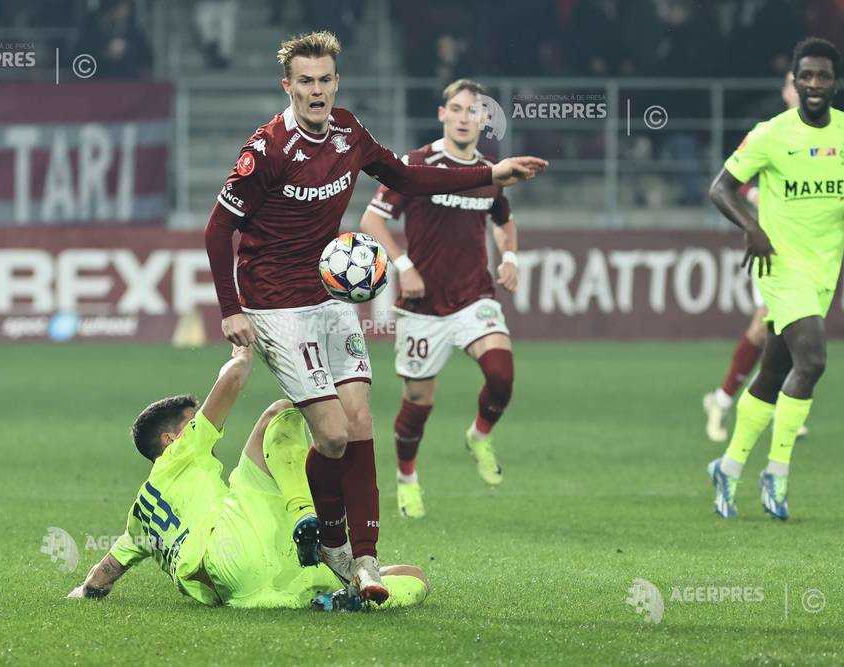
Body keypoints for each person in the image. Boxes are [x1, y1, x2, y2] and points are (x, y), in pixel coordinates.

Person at [204, 30, 546, 600]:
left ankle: (365, 560)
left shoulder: (349, 133)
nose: (316, 92)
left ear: (336, 82)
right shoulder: (265, 150)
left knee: (360, 420)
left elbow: (409, 177)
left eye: (325, 80)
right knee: (333, 436)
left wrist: (490, 174)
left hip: (330, 297)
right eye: (305, 82)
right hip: (275, 305)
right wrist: (230, 309)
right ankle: (331, 539)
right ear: (287, 86)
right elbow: (219, 229)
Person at [66, 346, 430, 611]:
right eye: (191, 422)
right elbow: (233, 380)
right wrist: (243, 350)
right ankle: (306, 515)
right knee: (280, 415)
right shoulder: (180, 454)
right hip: (231, 543)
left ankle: (334, 599)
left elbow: (106, 572)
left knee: (410, 575)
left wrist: (84, 592)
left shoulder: (140, 515)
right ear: (171, 439)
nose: (199, 427)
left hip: (239, 592)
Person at [706, 37, 844, 520]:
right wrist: (753, 228)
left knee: (774, 371)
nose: (814, 84)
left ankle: (728, 467)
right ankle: (776, 473)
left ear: (835, 82)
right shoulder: (770, 134)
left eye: (823, 76)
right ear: (794, 82)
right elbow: (720, 188)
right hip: (780, 264)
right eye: (807, 76)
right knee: (812, 360)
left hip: (824, 267)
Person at [359, 79, 519, 519]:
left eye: (474, 110)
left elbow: (503, 219)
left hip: (473, 296)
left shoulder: (490, 174)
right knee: (418, 401)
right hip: (423, 306)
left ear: (485, 120)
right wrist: (403, 265)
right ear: (442, 114)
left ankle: (479, 435)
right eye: (457, 108)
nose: (465, 117)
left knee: (501, 374)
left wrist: (510, 257)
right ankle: (407, 478)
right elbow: (371, 220)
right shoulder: (414, 165)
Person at [703, 72, 803, 442]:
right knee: (769, 326)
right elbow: (734, 177)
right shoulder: (771, 133)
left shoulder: (829, 138)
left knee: (787, 330)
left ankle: (746, 400)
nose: (801, 88)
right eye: (795, 81)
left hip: (808, 250)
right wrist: (754, 195)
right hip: (771, 247)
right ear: (785, 91)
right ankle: (725, 399)